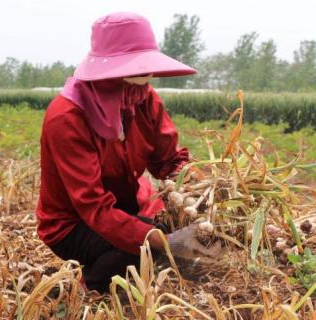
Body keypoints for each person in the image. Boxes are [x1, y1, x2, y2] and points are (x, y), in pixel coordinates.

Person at [36, 12, 222, 294]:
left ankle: (135, 262)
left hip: (125, 207)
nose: (144, 81)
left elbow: (169, 161)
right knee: (143, 247)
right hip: (73, 224)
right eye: (134, 71)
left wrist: (206, 191)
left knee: (165, 226)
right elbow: (94, 207)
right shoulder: (67, 118)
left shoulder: (143, 99)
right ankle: (83, 289)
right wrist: (165, 241)